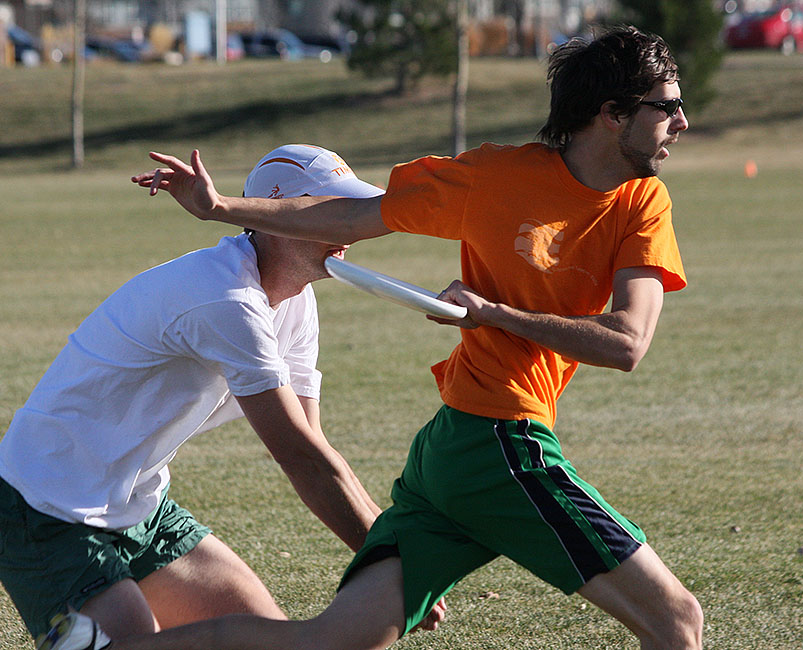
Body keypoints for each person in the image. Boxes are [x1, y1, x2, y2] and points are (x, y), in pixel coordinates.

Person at [52, 25, 703, 650]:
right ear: (613, 114)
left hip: (455, 451)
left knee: (327, 641)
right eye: (667, 107)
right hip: (495, 441)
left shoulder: (644, 201)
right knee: (676, 623)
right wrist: (221, 208)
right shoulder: (496, 178)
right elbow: (351, 215)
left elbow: (627, 341)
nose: (682, 122)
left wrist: (492, 313)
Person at [0, 145, 429, 648]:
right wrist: (397, 564)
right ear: (280, 214)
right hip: (44, 508)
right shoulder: (228, 301)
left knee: (276, 642)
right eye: (333, 212)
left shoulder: (297, 301)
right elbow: (301, 459)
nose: (352, 229)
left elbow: (314, 443)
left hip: (140, 508)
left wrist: (395, 553)